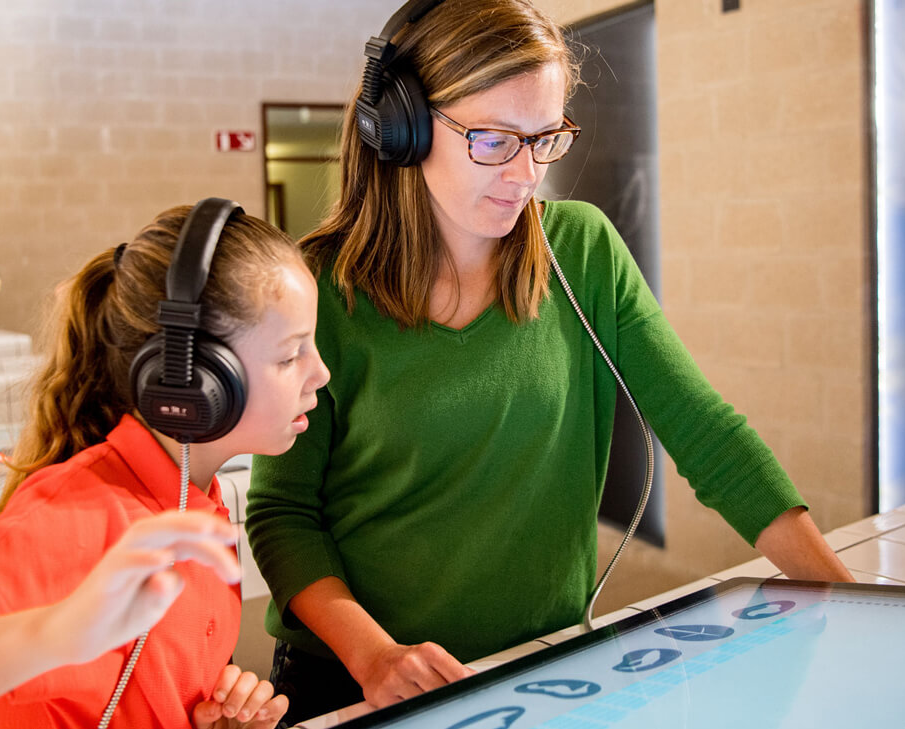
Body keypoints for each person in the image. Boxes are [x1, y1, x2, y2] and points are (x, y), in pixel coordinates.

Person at [244, 0, 854, 723]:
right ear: (402, 127)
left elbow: (706, 434)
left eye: (546, 138)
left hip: (541, 667)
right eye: (495, 140)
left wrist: (854, 603)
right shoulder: (320, 288)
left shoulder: (583, 251)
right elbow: (282, 512)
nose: (526, 174)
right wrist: (374, 655)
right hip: (357, 680)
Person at [0, 201, 330, 729]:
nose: (321, 373)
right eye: (289, 357)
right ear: (192, 379)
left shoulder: (192, 502)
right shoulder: (78, 514)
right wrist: (57, 632)